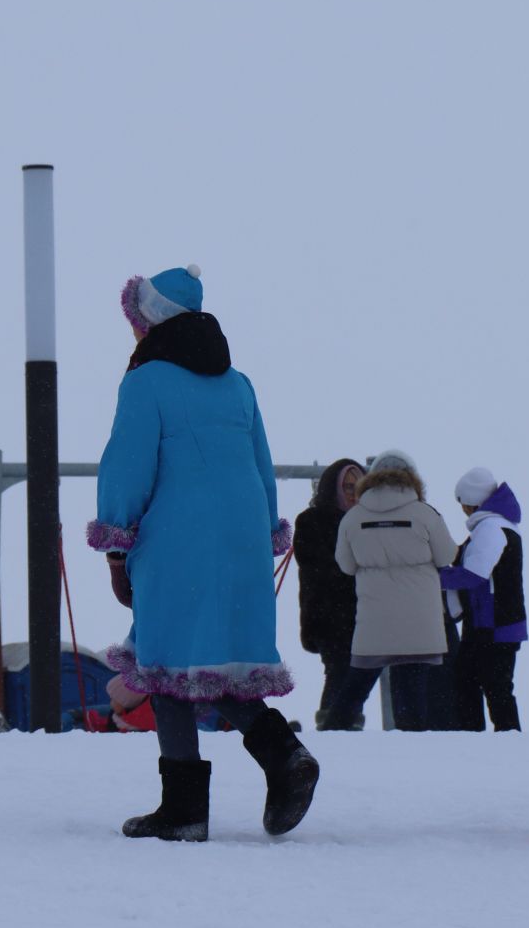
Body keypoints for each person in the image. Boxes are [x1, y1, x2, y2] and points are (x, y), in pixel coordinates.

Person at [88, 264, 319, 843]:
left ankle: (185, 809)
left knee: (168, 666)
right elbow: (262, 465)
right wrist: (266, 531)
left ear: (150, 322)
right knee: (219, 666)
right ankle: (282, 754)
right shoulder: (238, 384)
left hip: (176, 540)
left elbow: (127, 466)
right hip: (240, 540)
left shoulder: (146, 383)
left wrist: (116, 543)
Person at [334, 450, 459, 731]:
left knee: (354, 691)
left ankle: (331, 738)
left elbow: (345, 565)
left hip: (374, 621)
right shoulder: (426, 515)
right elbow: (446, 555)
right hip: (419, 621)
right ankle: (410, 749)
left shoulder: (353, 519)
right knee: (412, 694)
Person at [440, 467, 527, 732]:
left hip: (491, 625)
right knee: (488, 685)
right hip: (496, 624)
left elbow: (474, 575)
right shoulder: (499, 526)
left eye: (462, 502)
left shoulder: (491, 528)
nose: (462, 509)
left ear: (472, 502)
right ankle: (502, 740)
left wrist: (432, 577)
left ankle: (488, 740)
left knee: (483, 685)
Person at [293, 458, 366, 729]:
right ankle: (334, 723)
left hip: (360, 613)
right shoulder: (311, 521)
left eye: (358, 487)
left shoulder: (367, 521)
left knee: (352, 672)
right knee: (340, 670)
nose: (352, 493)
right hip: (327, 616)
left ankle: (342, 722)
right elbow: (317, 566)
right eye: (347, 487)